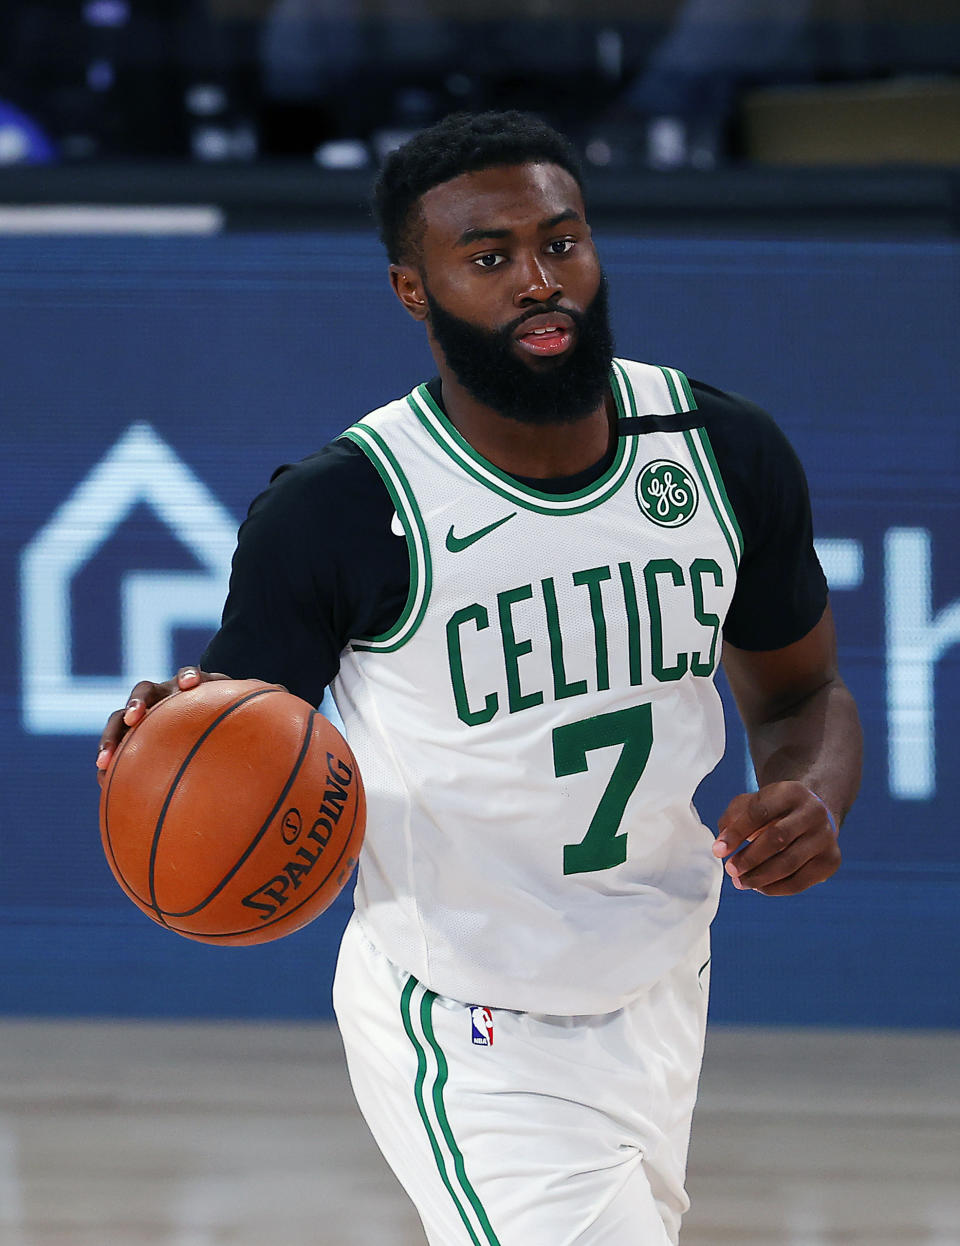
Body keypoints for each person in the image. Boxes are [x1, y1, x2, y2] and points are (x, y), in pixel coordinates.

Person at [97, 110, 862, 1245]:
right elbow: (237, 737)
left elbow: (805, 698)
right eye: (490, 256)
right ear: (416, 291)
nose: (539, 280)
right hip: (467, 1026)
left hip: (665, 980)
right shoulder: (343, 511)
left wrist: (812, 792)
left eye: (561, 242)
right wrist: (170, 740)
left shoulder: (719, 451)